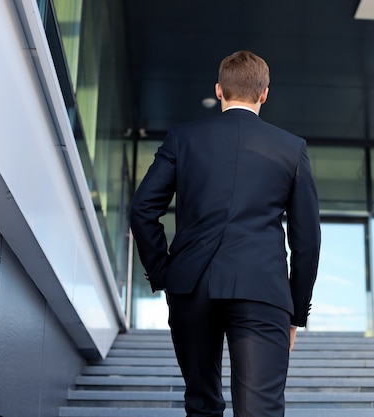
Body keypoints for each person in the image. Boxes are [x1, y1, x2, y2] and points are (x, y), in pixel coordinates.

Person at [130, 50, 321, 417]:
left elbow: (142, 210)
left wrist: (164, 273)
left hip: (191, 287)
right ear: (264, 93)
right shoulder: (291, 149)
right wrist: (295, 313)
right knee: (259, 410)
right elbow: (307, 240)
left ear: (219, 90)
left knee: (202, 404)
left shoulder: (182, 138)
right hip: (262, 290)